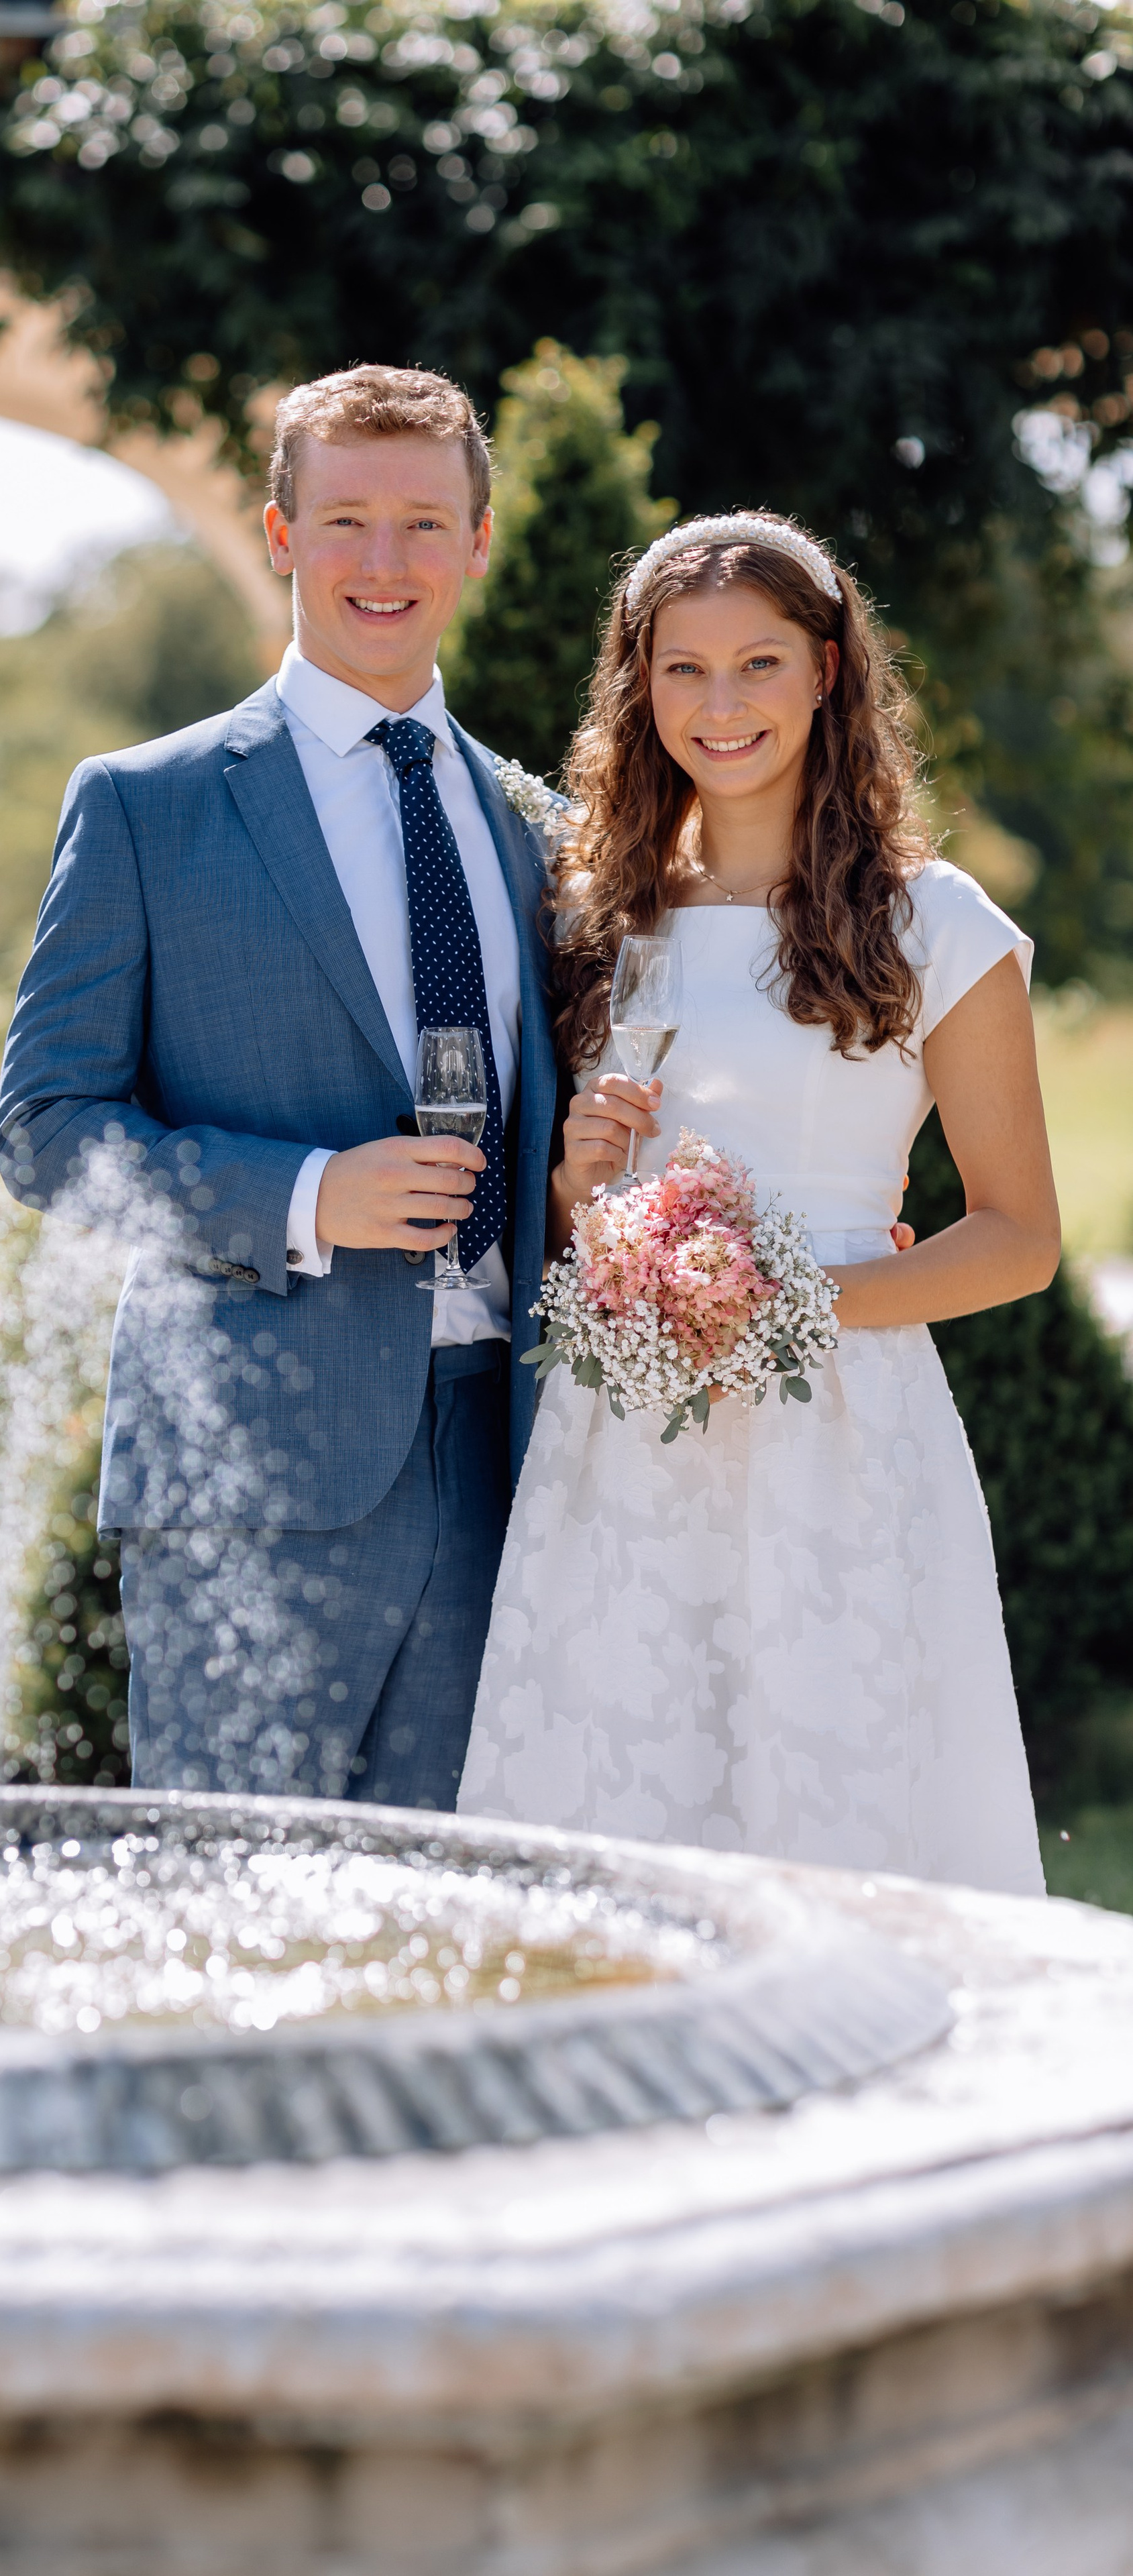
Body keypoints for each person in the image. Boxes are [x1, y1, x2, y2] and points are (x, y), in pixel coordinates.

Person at [457, 512, 1056, 1896]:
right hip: (624, 1440)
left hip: (839, 1439)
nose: (718, 707)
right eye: (681, 671)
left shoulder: (934, 923)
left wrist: (785, 1305)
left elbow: (1016, 1239)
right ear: (638, 684)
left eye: (757, 665)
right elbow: (560, 1227)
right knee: (623, 1822)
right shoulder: (599, 918)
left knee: (842, 1814)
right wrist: (576, 1190)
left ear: (827, 671)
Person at [0, 366, 558, 1805]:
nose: (386, 563)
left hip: (505, 1458)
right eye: (348, 520)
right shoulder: (146, 805)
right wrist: (308, 1195)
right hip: (249, 1475)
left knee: (456, 1932)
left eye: (424, 525)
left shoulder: (531, 825)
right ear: (277, 533)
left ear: (477, 544)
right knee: (230, 1909)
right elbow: (46, 1131)